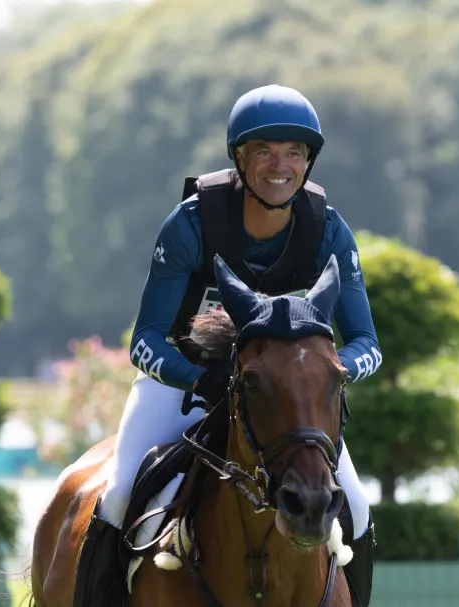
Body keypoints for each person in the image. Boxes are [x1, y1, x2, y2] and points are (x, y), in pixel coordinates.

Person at [74, 84, 382, 607]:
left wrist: (322, 372)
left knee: (353, 503)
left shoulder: (328, 229)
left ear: (308, 161)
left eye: (293, 153)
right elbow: (144, 340)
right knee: (120, 492)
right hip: (186, 382)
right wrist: (200, 378)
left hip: (287, 401)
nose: (279, 166)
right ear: (240, 158)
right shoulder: (193, 223)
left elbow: (366, 344)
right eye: (263, 151)